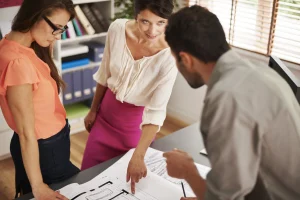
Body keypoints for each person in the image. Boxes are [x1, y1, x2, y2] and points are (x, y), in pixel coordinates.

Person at [163, 5, 300, 200]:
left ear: (185, 59)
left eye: (175, 59)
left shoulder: (226, 97)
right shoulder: (261, 73)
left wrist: (188, 171)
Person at [81, 0, 177, 194]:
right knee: (87, 180)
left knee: (122, 188)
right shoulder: (117, 29)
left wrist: (139, 155)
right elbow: (104, 73)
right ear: (136, 16)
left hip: (135, 128)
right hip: (105, 118)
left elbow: (156, 110)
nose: (153, 31)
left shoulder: (171, 55)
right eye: (145, 22)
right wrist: (93, 110)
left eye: (161, 23)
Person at [0, 0, 80, 199]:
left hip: (41, 144)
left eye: (62, 29)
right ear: (36, 15)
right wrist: (38, 186)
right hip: (46, 149)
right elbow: (27, 133)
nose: (58, 36)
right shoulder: (19, 63)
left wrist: (49, 36)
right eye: (57, 28)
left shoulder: (11, 44)